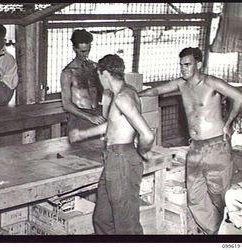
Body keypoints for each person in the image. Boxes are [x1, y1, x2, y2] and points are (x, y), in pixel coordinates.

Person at [138, 47, 242, 234]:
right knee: (194, 196)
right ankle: (213, 231)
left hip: (216, 145)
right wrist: (135, 95)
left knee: (218, 194)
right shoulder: (181, 84)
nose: (183, 69)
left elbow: (239, 96)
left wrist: (228, 123)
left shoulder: (211, 83)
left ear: (198, 64)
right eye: (181, 65)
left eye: (187, 65)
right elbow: (156, 91)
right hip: (195, 147)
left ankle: (219, 233)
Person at [70, 54, 155, 234]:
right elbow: (114, 124)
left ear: (105, 74)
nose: (100, 81)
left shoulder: (123, 98)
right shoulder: (126, 92)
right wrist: (83, 133)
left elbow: (147, 134)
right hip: (113, 159)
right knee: (102, 218)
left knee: (125, 223)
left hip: (121, 158)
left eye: (99, 77)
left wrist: (143, 151)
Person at [60, 29, 105, 142]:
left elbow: (104, 93)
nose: (86, 54)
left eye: (88, 50)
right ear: (75, 49)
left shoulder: (95, 67)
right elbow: (66, 104)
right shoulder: (68, 73)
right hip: (79, 118)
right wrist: (89, 117)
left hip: (96, 116)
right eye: (82, 51)